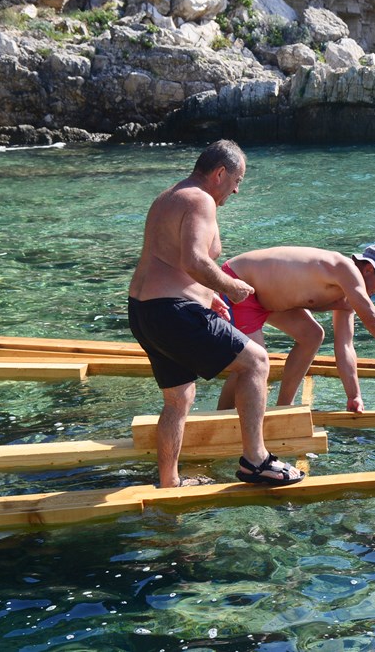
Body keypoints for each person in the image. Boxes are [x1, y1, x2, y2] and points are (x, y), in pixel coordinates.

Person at [127, 140, 304, 488]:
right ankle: (256, 460)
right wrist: (230, 287)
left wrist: (208, 298)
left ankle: (170, 480)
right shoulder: (200, 199)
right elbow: (194, 260)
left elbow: (168, 260)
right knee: (256, 362)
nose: (236, 190)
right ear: (220, 173)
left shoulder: (168, 197)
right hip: (171, 311)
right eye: (237, 180)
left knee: (179, 398)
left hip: (144, 311)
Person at [216, 245, 375, 413]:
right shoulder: (344, 269)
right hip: (238, 286)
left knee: (312, 335)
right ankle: (221, 419)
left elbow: (345, 346)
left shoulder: (347, 294)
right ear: (368, 269)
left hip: (266, 299)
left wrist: (354, 396)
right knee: (255, 364)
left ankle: (283, 409)